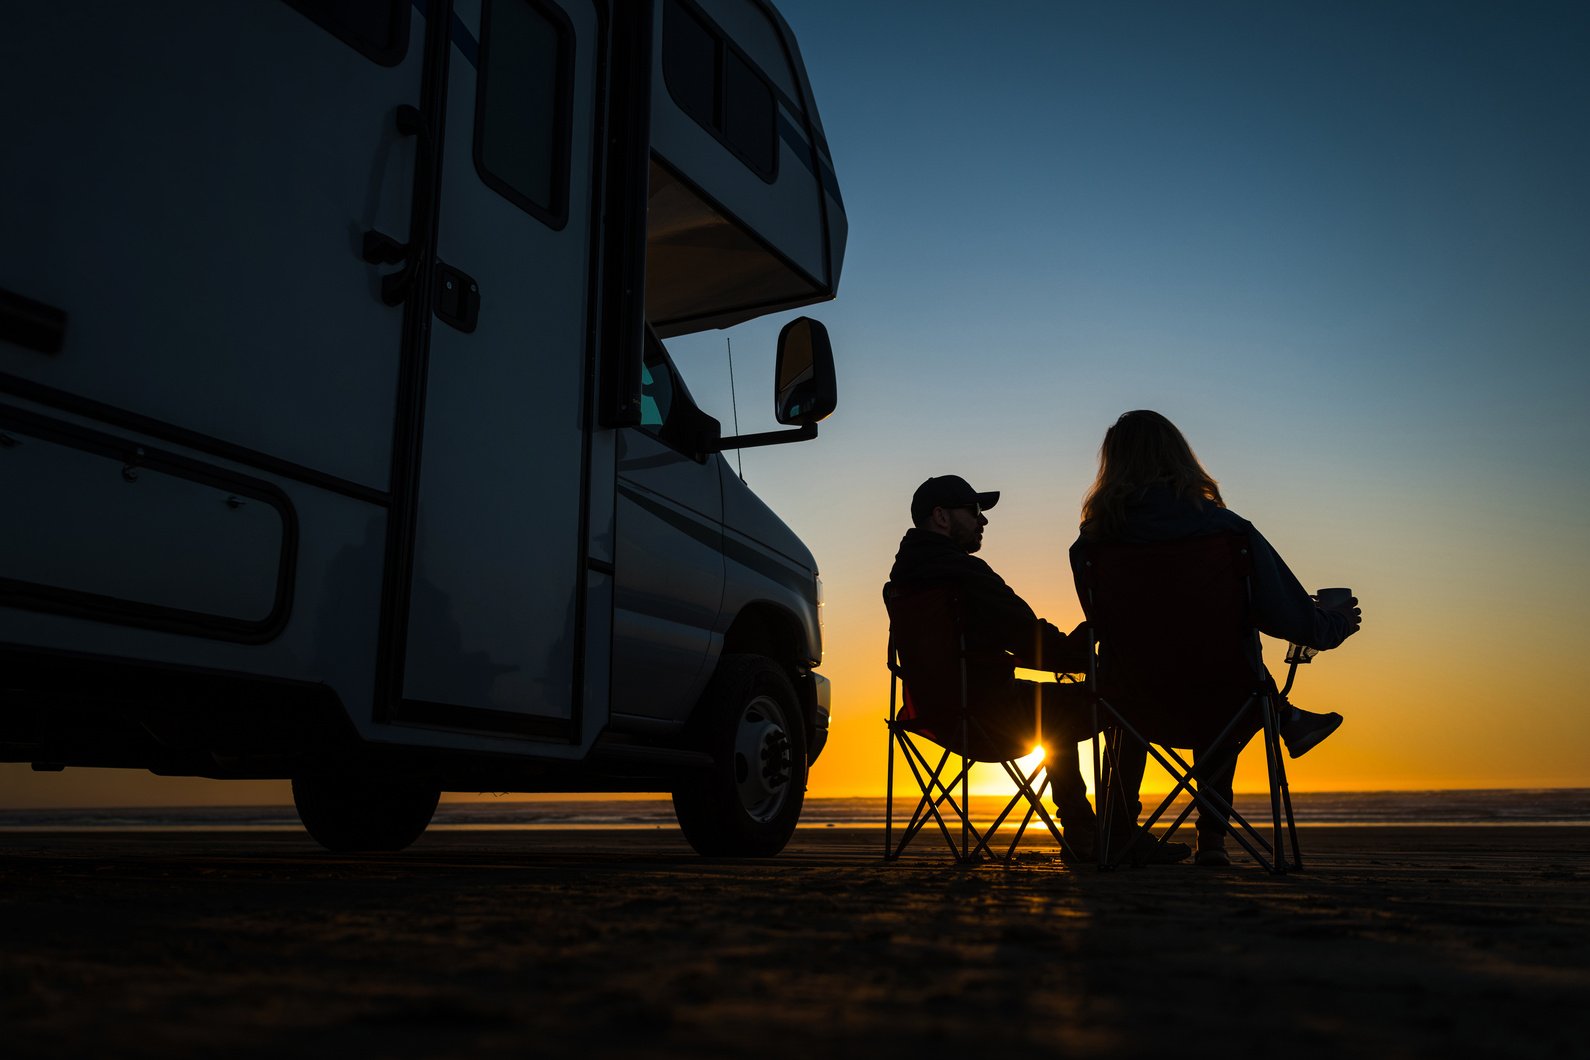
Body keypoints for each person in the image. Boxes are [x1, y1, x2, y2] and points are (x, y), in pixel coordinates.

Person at [1070, 410, 1363, 867]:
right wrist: (1336, 621)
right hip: (1222, 698)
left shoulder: (1091, 547)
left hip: (1129, 702)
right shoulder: (1228, 533)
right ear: (1181, 458)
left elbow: (1111, 626)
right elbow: (1297, 623)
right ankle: (1212, 843)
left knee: (1142, 682)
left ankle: (1119, 835)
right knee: (1223, 680)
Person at [890, 474, 1189, 864]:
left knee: (1055, 708)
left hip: (935, 716)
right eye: (975, 510)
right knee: (1124, 702)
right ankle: (1117, 832)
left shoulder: (904, 580)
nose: (983, 521)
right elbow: (1035, 643)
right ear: (942, 517)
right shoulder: (964, 574)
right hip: (992, 717)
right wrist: (1095, 640)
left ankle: (1082, 830)